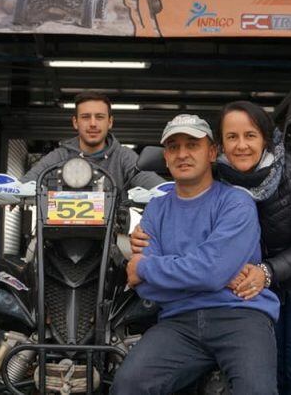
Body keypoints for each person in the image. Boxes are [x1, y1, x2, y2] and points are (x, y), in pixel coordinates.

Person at [132, 101, 291, 395]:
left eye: (250, 136)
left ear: (265, 138)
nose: (241, 145)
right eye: (232, 137)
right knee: (273, 375)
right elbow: (196, 267)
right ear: (220, 147)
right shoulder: (213, 176)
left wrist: (260, 271)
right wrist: (212, 271)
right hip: (242, 285)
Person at [113, 114, 280, 395]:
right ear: (166, 157)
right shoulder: (155, 211)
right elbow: (149, 291)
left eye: (192, 145)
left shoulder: (236, 203)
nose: (183, 154)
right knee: (128, 385)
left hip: (239, 316)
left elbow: (211, 272)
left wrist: (143, 267)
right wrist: (204, 273)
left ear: (212, 152)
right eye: (174, 147)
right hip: (179, 321)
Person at [20, 90, 165, 190]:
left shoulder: (123, 156)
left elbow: (153, 184)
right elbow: (28, 183)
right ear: (75, 122)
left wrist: (172, 192)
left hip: (111, 232)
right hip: (60, 232)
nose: (93, 123)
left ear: (110, 122)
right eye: (86, 117)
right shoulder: (60, 156)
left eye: (100, 117)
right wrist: (13, 193)